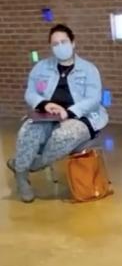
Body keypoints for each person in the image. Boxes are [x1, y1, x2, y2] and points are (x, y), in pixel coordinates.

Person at [7, 24, 108, 203]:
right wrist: (45, 104)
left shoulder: (88, 69)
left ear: (73, 43)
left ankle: (28, 166)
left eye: (64, 42)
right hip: (47, 115)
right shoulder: (41, 68)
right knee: (27, 132)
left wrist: (68, 112)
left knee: (63, 136)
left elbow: (93, 99)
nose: (60, 46)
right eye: (55, 44)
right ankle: (21, 178)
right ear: (51, 47)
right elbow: (30, 93)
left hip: (81, 117)